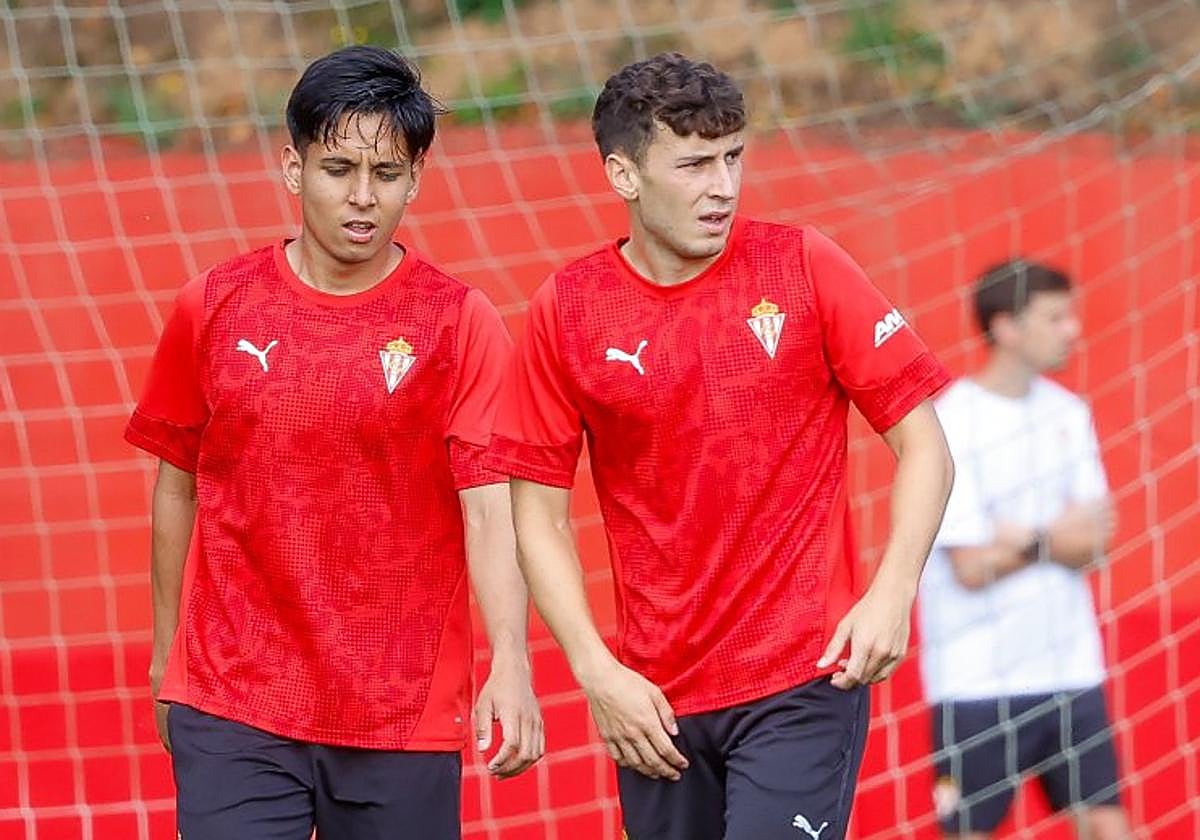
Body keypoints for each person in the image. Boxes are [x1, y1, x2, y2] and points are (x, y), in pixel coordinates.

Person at [485, 52, 954, 840]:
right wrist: (596, 671)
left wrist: (892, 589)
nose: (724, 186)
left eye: (734, 157)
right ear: (624, 176)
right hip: (654, 705)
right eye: (696, 164)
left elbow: (927, 446)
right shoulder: (567, 311)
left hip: (802, 677)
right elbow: (537, 515)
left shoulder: (805, 265)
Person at [123, 45, 542, 839]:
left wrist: (511, 663)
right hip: (235, 697)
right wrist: (163, 658)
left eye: (386, 175)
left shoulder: (460, 324)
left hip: (400, 709)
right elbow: (175, 484)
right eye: (337, 168)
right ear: (293, 167)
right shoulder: (212, 307)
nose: (361, 198)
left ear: (415, 180)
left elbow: (491, 511)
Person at [919, 260, 1130, 839]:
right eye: (1055, 317)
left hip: (1071, 668)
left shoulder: (1069, 413)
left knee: (1111, 826)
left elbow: (1097, 539)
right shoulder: (952, 421)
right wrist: (1054, 539)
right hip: (978, 680)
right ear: (1006, 326)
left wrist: (1025, 540)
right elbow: (969, 566)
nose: (1073, 329)